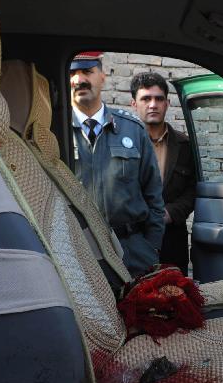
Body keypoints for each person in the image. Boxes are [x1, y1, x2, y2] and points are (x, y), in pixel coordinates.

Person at [69, 51, 165, 276]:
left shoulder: (132, 129)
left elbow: (154, 195)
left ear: (102, 76)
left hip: (132, 251)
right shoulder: (53, 131)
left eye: (87, 72)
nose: (79, 80)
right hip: (78, 253)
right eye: (72, 73)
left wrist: (150, 247)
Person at [130, 72, 197, 276]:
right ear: (134, 104)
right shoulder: (123, 143)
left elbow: (193, 190)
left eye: (159, 99)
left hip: (172, 241)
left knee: (176, 299)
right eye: (146, 99)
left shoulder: (185, 145)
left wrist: (170, 213)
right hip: (133, 239)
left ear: (167, 103)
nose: (153, 105)